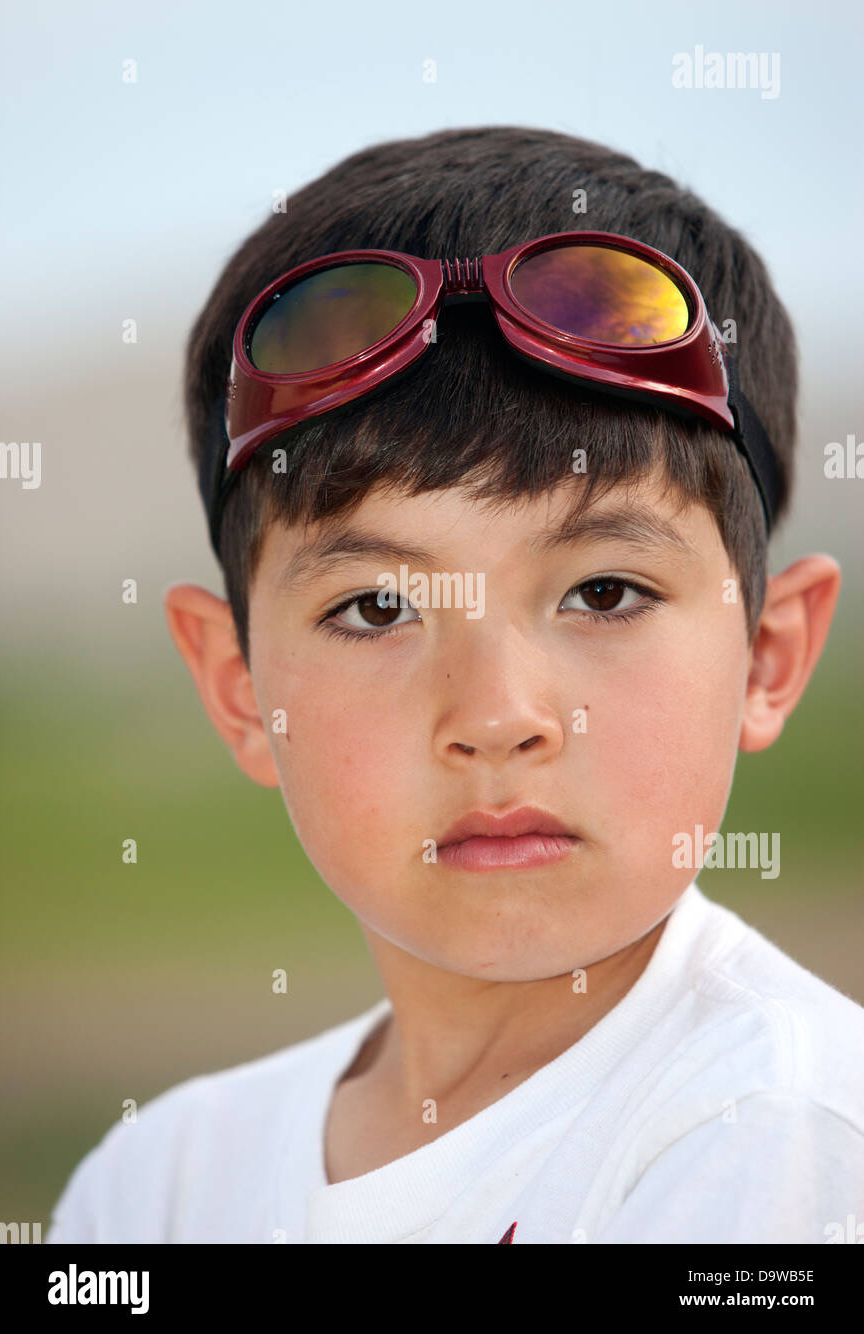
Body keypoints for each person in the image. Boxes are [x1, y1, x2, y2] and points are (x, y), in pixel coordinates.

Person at [46, 125, 863, 1244]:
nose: (494, 718)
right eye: (376, 608)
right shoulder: (161, 1181)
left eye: (605, 592)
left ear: (767, 656)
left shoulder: (777, 1136)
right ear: (239, 690)